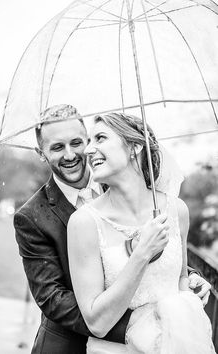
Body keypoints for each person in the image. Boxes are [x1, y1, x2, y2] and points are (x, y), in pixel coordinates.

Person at [14, 104, 211, 354]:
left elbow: (163, 259)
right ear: (40, 153)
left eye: (77, 142)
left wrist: (187, 281)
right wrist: (149, 324)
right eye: (56, 147)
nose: (72, 154)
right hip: (74, 343)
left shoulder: (123, 183)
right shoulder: (32, 217)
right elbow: (54, 299)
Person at [67, 112, 216, 353]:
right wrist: (142, 253)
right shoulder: (83, 222)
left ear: (135, 146)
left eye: (100, 138)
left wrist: (191, 286)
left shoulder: (176, 210)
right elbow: (97, 323)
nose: (87, 150)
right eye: (89, 141)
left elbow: (177, 280)